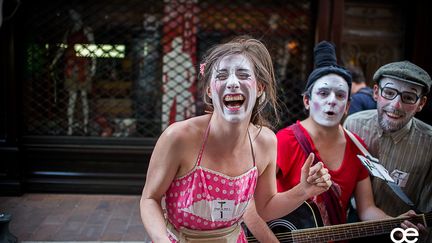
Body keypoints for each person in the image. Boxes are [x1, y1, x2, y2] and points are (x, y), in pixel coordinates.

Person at [140, 36, 332, 242]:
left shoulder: (265, 141)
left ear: (259, 88)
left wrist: (303, 191)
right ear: (209, 90)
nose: (232, 83)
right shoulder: (178, 137)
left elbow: (265, 207)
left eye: (243, 75)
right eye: (221, 76)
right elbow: (150, 199)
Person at [244, 41, 419, 242]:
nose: (332, 100)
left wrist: (395, 223)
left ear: (347, 106)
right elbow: (248, 203)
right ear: (307, 101)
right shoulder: (283, 141)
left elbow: (366, 209)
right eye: (323, 93)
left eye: (340, 95)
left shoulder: (358, 147)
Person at [344, 60, 431, 241]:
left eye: (408, 97)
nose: (395, 105)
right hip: (352, 228)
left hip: (402, 234)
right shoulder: (353, 125)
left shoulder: (429, 144)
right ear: (376, 92)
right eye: (389, 93)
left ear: (421, 103)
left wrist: (424, 234)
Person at [50, 9, 96, 135]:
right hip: (71, 66)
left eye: (75, 14)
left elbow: (93, 47)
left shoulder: (86, 30)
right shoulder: (69, 31)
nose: (73, 17)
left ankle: (85, 126)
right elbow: (62, 47)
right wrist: (54, 61)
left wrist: (93, 65)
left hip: (83, 66)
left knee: (83, 97)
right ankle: (70, 127)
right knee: (72, 97)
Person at [161, 36, 196, 131]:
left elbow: (192, 72)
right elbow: (164, 73)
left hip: (180, 85)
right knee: (166, 108)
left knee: (179, 109)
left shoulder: (185, 57)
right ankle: (164, 130)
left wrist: (188, 84)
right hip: (172, 84)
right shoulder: (168, 57)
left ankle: (176, 130)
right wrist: (165, 84)